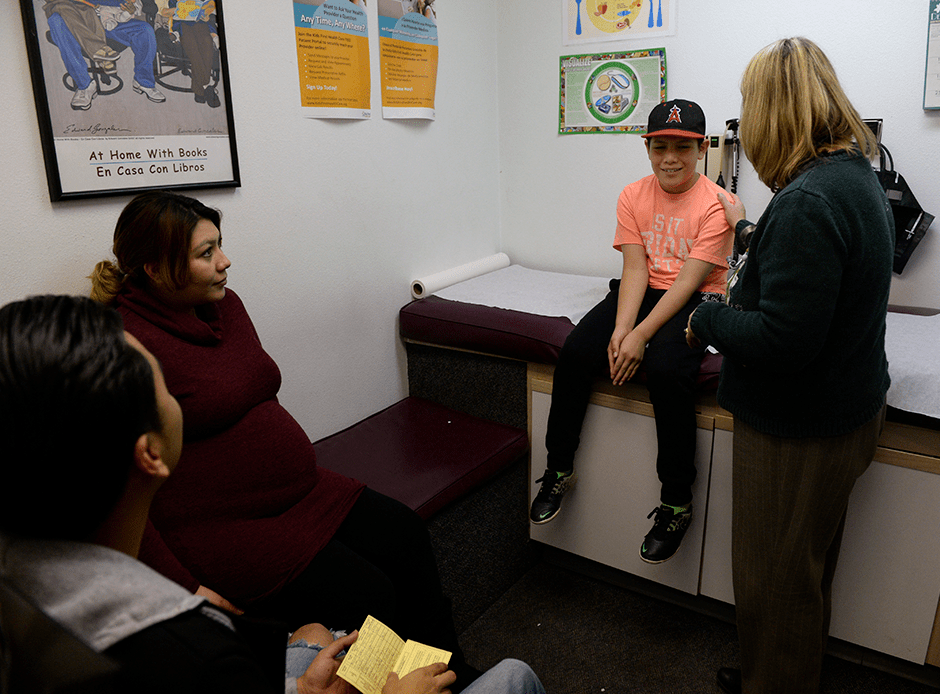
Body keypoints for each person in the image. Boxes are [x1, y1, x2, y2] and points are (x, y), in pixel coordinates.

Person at [0, 295, 546, 694]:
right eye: (162, 387)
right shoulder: (195, 655)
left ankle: (442, 667)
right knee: (516, 676)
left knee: (325, 619)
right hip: (247, 531)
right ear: (150, 454)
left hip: (302, 499)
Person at [88, 191, 481, 689]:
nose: (225, 262)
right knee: (368, 593)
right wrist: (184, 586)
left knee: (405, 533)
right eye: (205, 253)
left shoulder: (225, 306)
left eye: (220, 246)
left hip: (304, 493)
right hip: (223, 528)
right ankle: (388, 687)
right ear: (155, 269)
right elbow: (121, 491)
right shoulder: (125, 344)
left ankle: (450, 673)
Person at [684, 37, 895, 694]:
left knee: (775, 580)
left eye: (750, 110)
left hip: (798, 428)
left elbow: (783, 339)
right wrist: (754, 236)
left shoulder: (808, 200)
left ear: (773, 113)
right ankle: (775, 671)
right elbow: (815, 278)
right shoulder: (854, 174)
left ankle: (773, 680)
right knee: (803, 572)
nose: (746, 127)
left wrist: (708, 316)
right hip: (845, 412)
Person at [529, 98, 735, 564]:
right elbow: (636, 268)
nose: (670, 158)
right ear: (647, 148)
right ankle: (558, 467)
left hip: (695, 296)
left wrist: (643, 336)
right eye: (660, 146)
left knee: (665, 368)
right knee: (580, 349)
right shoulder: (632, 195)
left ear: (701, 149)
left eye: (682, 148)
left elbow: (688, 280)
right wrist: (623, 330)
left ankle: (677, 501)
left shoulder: (716, 205)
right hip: (642, 288)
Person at [44, 0, 166, 110]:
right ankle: (84, 85)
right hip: (79, 19)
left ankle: (143, 81)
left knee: (145, 30)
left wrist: (130, 7)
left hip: (111, 20)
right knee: (56, 21)